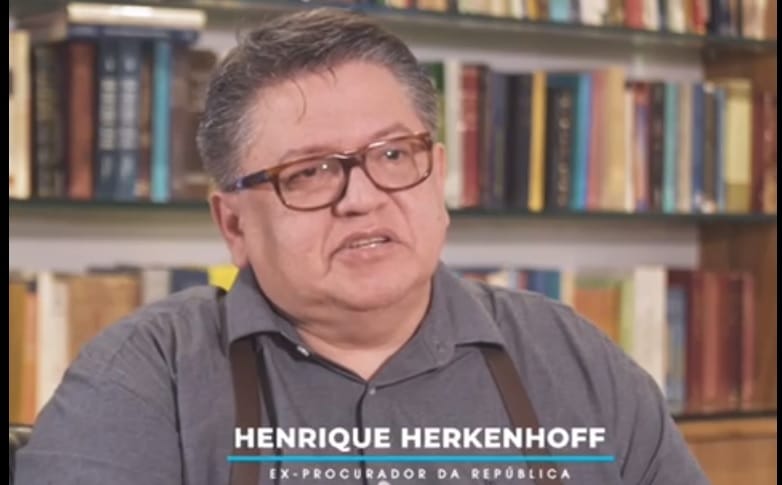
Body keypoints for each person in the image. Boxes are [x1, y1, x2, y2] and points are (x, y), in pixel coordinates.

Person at [15, 7, 708, 485]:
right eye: (309, 172)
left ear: (438, 174)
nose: (362, 196)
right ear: (234, 226)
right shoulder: (147, 377)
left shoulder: (573, 360)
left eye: (393, 154)